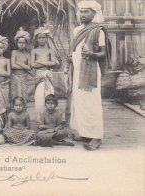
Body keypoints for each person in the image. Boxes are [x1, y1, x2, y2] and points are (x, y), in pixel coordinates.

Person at [68, 1, 110, 150]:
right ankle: (85, 132)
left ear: (94, 13)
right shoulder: (77, 30)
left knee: (92, 103)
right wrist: (71, 57)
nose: (83, 14)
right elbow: (77, 50)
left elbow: (103, 53)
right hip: (78, 70)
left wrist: (91, 54)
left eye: (86, 12)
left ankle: (96, 137)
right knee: (79, 102)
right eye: (81, 12)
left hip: (90, 71)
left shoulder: (98, 30)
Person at [32, 27, 60, 122]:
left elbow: (53, 63)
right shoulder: (34, 51)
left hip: (48, 75)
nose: (41, 39)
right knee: (39, 99)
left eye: (43, 37)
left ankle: (50, 120)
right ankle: (40, 120)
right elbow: (33, 64)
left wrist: (40, 61)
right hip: (39, 75)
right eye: (39, 38)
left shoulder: (50, 51)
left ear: (46, 38)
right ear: (36, 39)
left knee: (49, 96)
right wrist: (44, 62)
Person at [10, 28, 31, 103]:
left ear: (26, 43)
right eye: (19, 42)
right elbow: (13, 66)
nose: (21, 44)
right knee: (14, 95)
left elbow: (29, 67)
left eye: (23, 43)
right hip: (14, 77)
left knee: (24, 95)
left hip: (24, 77)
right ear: (17, 43)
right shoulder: (14, 52)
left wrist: (18, 63)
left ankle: (23, 111)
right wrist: (24, 66)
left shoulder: (28, 54)